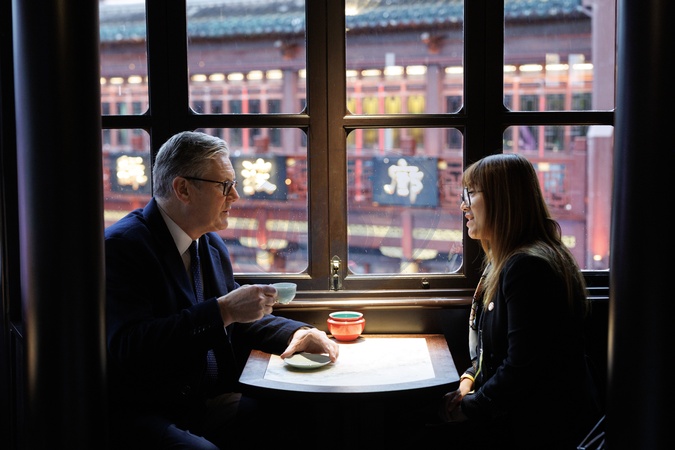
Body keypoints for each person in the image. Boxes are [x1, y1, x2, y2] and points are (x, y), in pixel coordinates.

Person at [105, 130, 339, 449]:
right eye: (225, 185)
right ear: (183, 189)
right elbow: (130, 347)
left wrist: (298, 333)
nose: (235, 196)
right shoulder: (123, 247)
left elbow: (239, 319)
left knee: (302, 414)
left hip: (207, 399)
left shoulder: (209, 243)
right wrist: (223, 310)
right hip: (152, 409)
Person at [432, 153, 602, 449]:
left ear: (502, 199)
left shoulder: (527, 267)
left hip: (539, 427)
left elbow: (522, 368)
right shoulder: (505, 262)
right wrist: (467, 383)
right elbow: (491, 352)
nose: (463, 205)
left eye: (471, 193)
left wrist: (470, 407)